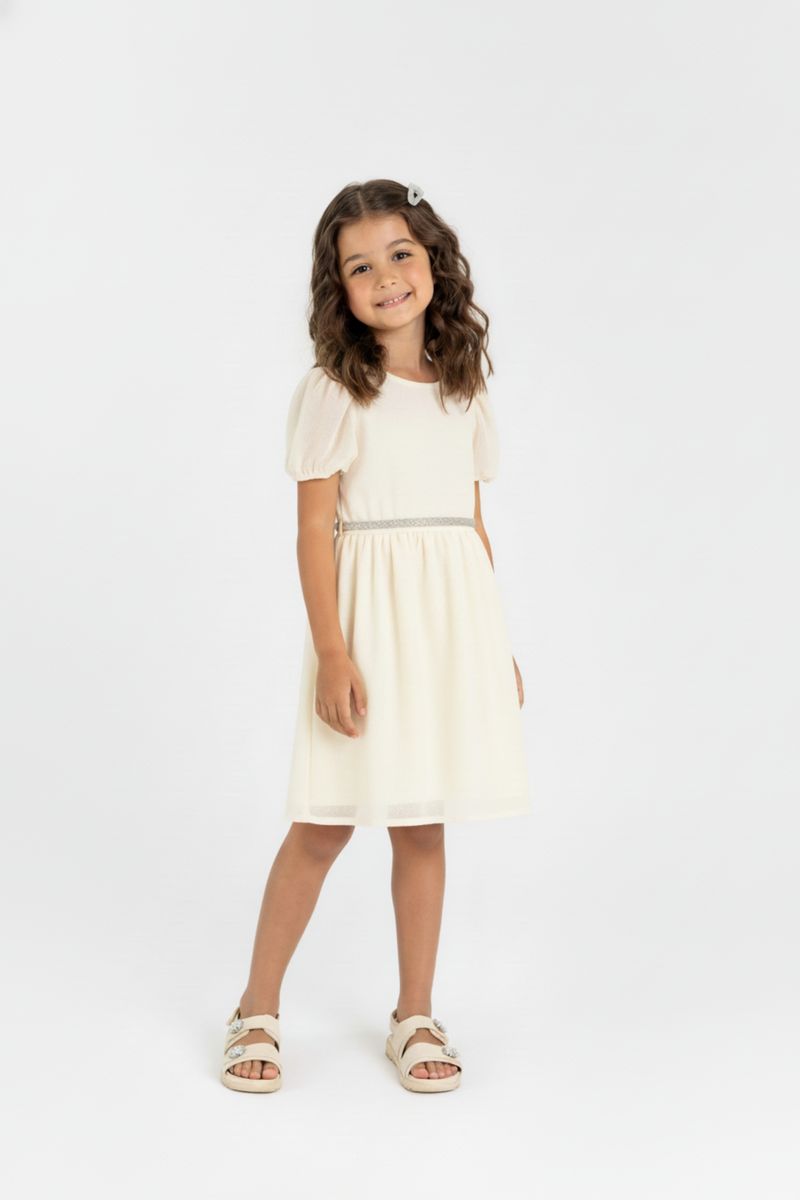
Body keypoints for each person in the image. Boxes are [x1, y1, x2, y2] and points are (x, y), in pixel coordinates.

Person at [221, 179, 530, 1094]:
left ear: (434, 259)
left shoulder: (464, 388)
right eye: (360, 267)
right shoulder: (335, 392)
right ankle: (256, 1006)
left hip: (448, 628)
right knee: (321, 826)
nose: (386, 277)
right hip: (365, 629)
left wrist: (496, 644)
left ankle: (415, 1013)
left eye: (400, 254)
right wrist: (333, 652)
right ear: (340, 289)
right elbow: (314, 529)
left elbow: (471, 526)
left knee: (422, 827)